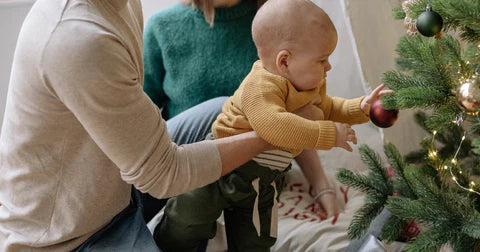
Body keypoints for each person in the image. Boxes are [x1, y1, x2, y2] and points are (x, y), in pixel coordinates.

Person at [0, 0, 282, 251]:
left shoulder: (121, 5)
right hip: (68, 238)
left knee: (221, 109)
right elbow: (163, 174)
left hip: (117, 184)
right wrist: (268, 135)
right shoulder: (80, 38)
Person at [154, 0, 393, 251]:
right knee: (186, 220)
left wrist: (361, 107)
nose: (328, 66)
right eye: (322, 60)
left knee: (257, 238)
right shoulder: (260, 86)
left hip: (264, 179)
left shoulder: (308, 84)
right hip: (220, 167)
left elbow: (329, 108)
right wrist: (328, 134)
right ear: (285, 62)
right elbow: (274, 126)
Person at [142, 0, 267, 223]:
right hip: (187, 175)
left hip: (254, 176)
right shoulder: (162, 27)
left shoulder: (275, 21)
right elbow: (140, 116)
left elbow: (292, 109)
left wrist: (320, 184)